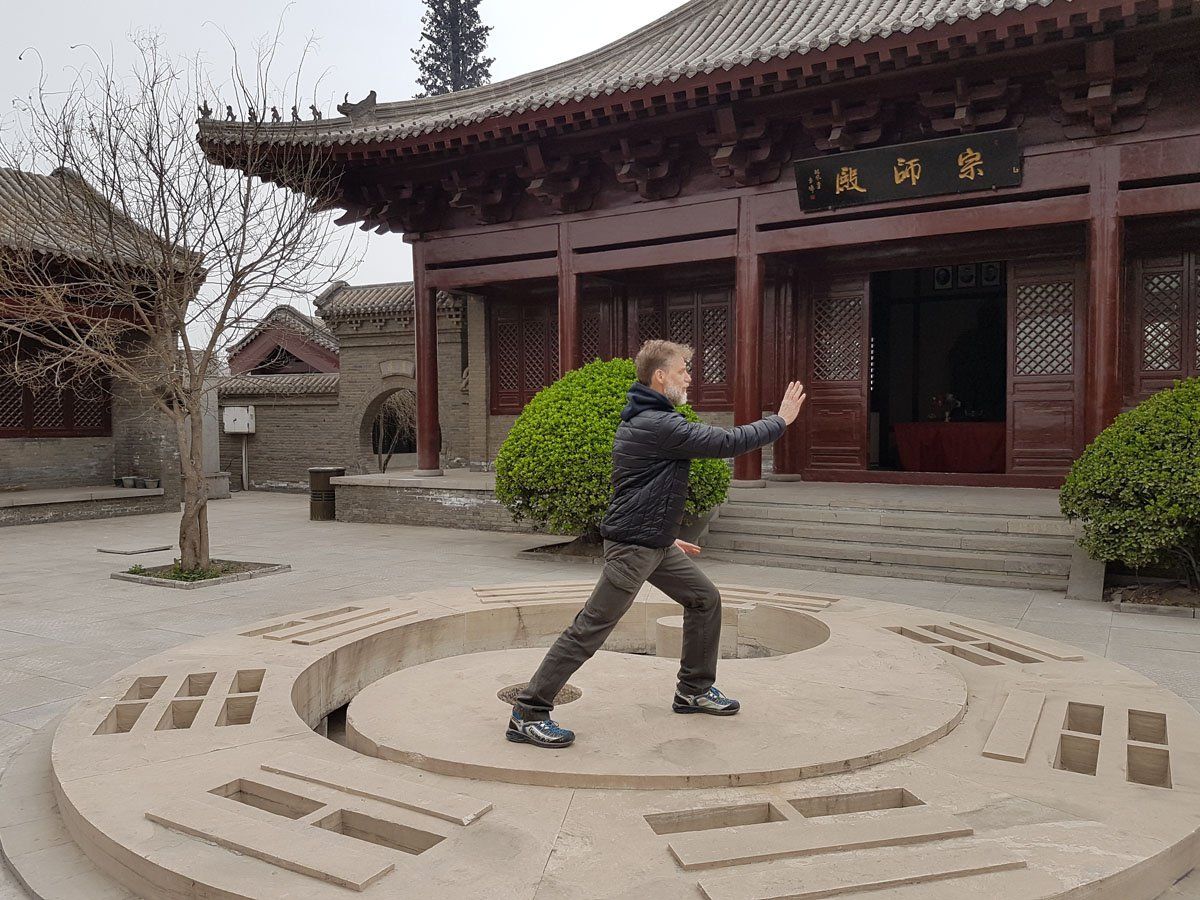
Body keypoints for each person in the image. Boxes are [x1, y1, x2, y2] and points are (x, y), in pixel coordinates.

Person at [506, 339, 807, 748]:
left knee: (704, 599)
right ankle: (528, 711)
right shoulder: (658, 424)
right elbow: (726, 443)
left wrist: (666, 537)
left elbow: (643, 489)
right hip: (634, 548)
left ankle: (693, 690)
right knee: (590, 628)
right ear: (660, 376)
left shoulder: (651, 420)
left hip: (654, 544)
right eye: (683, 369)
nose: (689, 376)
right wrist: (781, 420)